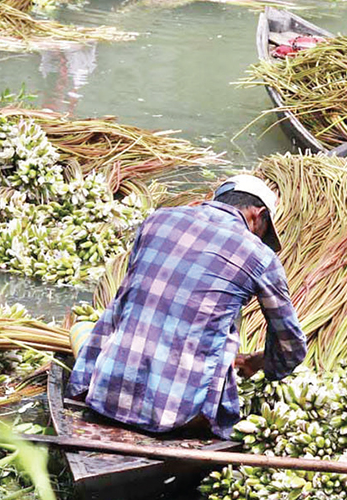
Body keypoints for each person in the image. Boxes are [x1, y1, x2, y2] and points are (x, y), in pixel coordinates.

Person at [67, 175, 308, 439]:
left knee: (89, 324)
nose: (260, 238)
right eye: (263, 231)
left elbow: (131, 297)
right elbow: (291, 348)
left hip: (104, 391)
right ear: (258, 215)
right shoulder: (260, 256)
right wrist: (259, 362)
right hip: (178, 415)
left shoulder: (156, 220)